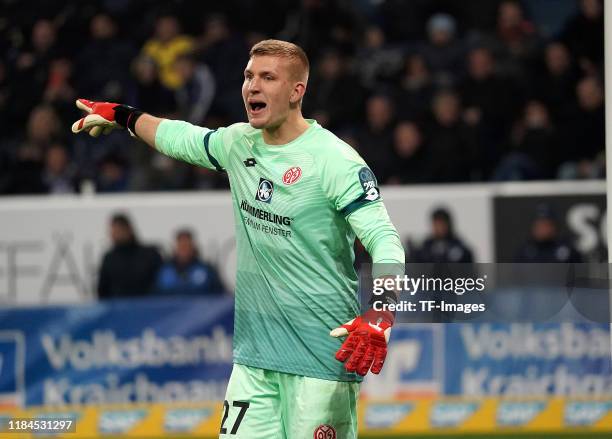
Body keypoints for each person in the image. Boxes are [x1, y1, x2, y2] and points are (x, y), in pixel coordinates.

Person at [72, 39, 405, 439]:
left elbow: (384, 239)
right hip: (253, 363)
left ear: (297, 91)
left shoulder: (335, 161)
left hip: (322, 358)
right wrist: (125, 116)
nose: (253, 87)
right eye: (249, 76)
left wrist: (381, 314)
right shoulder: (238, 144)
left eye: (268, 77)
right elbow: (180, 137)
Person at [98, 213, 162, 298]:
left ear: (129, 229)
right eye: (113, 231)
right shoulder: (109, 258)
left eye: (118, 230)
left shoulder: (150, 255)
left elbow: (161, 286)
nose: (114, 234)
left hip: (147, 308)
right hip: (117, 309)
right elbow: (102, 291)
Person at [155, 229, 225, 296]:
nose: (184, 250)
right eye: (181, 246)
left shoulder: (206, 270)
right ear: (175, 247)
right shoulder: (164, 270)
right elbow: (154, 295)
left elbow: (218, 294)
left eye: (187, 246)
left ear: (193, 247)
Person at [515, 205, 582, 263]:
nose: (542, 229)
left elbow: (580, 275)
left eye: (546, 225)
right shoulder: (525, 252)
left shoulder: (568, 250)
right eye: (539, 225)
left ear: (554, 227)